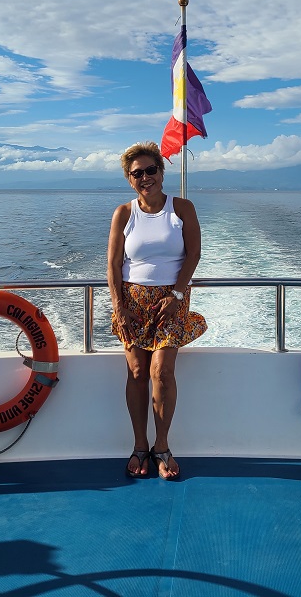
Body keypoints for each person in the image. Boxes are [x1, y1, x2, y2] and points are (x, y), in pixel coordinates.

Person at [108, 141, 206, 480]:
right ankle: (139, 446)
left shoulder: (182, 208)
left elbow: (193, 254)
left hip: (172, 301)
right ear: (129, 179)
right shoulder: (124, 213)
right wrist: (119, 306)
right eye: (137, 173)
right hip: (132, 301)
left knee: (161, 371)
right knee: (137, 371)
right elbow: (113, 263)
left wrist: (177, 294)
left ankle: (161, 446)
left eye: (151, 170)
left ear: (162, 173)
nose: (145, 177)